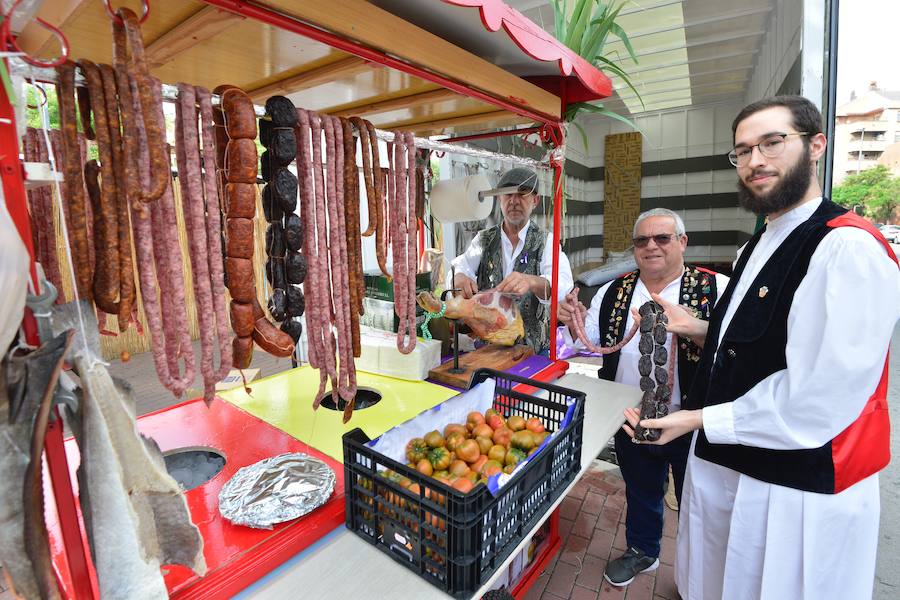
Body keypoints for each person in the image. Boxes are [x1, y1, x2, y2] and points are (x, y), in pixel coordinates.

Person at [623, 95, 900, 600]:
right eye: (743, 150)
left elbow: (817, 397)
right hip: (733, 463)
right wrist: (702, 329)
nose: (755, 161)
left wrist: (694, 418)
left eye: (772, 143)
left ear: (816, 145)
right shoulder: (758, 243)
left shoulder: (847, 248)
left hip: (794, 487)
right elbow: (771, 341)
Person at [557, 207, 729, 587]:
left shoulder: (716, 288)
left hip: (691, 419)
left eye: (662, 238)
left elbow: (734, 351)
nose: (651, 246)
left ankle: (702, 570)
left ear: (682, 242)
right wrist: (572, 322)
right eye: (642, 240)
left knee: (700, 501)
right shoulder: (613, 291)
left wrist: (694, 328)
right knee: (641, 490)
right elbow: (588, 343)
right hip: (632, 416)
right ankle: (643, 550)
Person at [449, 167, 573, 354]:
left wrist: (531, 281)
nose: (514, 201)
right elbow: (460, 266)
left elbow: (563, 286)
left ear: (535, 200)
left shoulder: (546, 242)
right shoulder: (483, 240)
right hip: (487, 351)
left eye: (522, 194)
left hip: (532, 352)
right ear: (499, 199)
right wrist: (458, 278)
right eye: (507, 194)